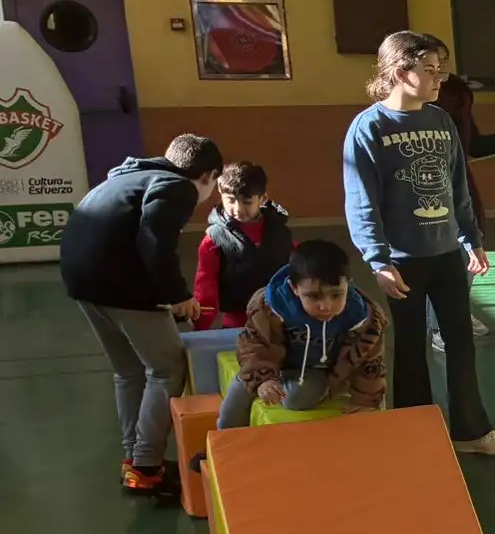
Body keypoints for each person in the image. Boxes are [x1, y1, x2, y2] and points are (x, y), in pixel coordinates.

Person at [342, 30, 495, 456]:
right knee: (410, 344)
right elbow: (361, 201)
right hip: (402, 259)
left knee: (460, 341)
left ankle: (471, 432)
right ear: (401, 72)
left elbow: (458, 187)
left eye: (441, 69)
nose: (440, 78)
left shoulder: (440, 121)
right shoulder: (369, 127)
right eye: (430, 69)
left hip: (446, 253)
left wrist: (471, 238)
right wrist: (378, 260)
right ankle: (414, 430)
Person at [58, 132, 222, 495]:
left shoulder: (126, 177)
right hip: (120, 285)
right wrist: (177, 296)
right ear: (207, 176)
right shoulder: (177, 186)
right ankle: (147, 466)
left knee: (129, 372)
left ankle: (134, 459)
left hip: (82, 283)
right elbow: (155, 242)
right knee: (167, 369)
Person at [218, 239, 389, 429]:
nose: (326, 306)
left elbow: (370, 361)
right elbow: (255, 344)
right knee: (240, 393)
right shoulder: (269, 307)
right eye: (313, 296)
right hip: (273, 360)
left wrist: (366, 400)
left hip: (316, 371)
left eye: (336, 295)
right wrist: (262, 379)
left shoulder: (362, 317)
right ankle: (225, 439)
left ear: (348, 285)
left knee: (298, 397)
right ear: (294, 288)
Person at [431, 72, 495, 346]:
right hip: (429, 186)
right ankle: (441, 326)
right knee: (439, 257)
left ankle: (457, 313)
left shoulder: (457, 94)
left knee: (467, 248)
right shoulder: (415, 107)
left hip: (460, 183)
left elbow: (472, 143)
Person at [194, 162, 293, 329]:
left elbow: (296, 271)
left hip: (278, 318)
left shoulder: (280, 231)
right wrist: (201, 325)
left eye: (246, 202)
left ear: (262, 199)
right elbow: (205, 284)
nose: (238, 208)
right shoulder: (214, 239)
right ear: (221, 195)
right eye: (231, 200)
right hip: (237, 322)